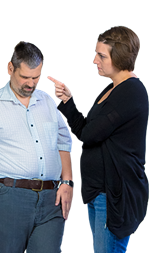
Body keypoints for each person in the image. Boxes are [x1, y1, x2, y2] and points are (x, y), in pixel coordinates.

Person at [0, 41, 74, 253]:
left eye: (36, 77)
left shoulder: (48, 102)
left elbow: (64, 140)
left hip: (51, 200)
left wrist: (67, 181)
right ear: (10, 68)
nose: (31, 84)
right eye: (25, 77)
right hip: (7, 199)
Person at [48, 26, 149, 253]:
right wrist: (68, 101)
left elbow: (89, 135)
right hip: (99, 192)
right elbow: (87, 130)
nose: (95, 60)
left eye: (101, 56)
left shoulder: (131, 92)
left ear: (120, 56)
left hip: (114, 195)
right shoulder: (111, 88)